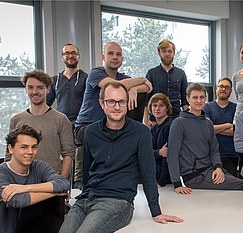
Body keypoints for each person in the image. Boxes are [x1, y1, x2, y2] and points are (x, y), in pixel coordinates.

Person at [34, 81, 183, 233]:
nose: (116, 106)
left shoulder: (140, 133)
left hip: (116, 203)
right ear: (101, 104)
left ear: (128, 104)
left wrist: (156, 211)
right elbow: (89, 171)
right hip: (87, 200)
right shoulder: (90, 132)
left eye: (121, 101)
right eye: (111, 101)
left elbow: (147, 174)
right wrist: (80, 197)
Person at [73, 42, 152, 189]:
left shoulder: (125, 77)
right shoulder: (95, 73)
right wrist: (140, 79)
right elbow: (114, 86)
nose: (114, 57)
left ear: (122, 59)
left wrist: (134, 88)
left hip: (109, 127)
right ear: (103, 57)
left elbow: (148, 87)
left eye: (118, 54)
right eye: (110, 54)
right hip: (86, 127)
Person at [167, 83, 243, 195]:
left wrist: (218, 167)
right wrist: (177, 184)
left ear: (206, 98)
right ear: (187, 99)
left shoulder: (208, 123)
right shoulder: (179, 123)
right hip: (195, 177)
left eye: (202, 97)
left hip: (211, 170)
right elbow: (172, 154)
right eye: (195, 97)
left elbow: (214, 150)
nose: (199, 101)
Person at [8, 70, 75, 178]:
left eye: (40, 87)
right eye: (30, 87)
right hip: (21, 182)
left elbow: (69, 154)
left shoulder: (61, 120)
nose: (35, 91)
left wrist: (60, 181)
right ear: (25, 90)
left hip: (50, 181)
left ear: (47, 89)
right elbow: (9, 155)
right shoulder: (16, 120)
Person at [46, 43, 88, 190]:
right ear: (62, 57)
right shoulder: (54, 80)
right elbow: (47, 103)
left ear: (78, 56)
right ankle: (60, 186)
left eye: (73, 53)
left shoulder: (85, 79)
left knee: (78, 156)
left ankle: (78, 186)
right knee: (62, 157)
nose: (70, 56)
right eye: (67, 53)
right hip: (61, 124)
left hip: (80, 124)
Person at [144, 39, 188, 127]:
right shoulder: (151, 73)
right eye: (164, 51)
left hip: (176, 119)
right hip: (155, 121)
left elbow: (185, 100)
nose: (167, 54)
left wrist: (187, 120)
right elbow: (146, 100)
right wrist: (146, 120)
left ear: (174, 53)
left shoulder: (181, 74)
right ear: (159, 53)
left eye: (169, 51)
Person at [203, 77, 239, 177]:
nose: (223, 89)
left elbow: (236, 132)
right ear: (216, 88)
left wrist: (215, 128)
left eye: (227, 87)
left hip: (231, 154)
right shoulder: (207, 107)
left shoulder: (236, 108)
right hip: (210, 154)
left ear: (231, 91)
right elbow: (207, 130)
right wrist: (228, 125)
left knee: (231, 185)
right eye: (221, 86)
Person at [149, 93, 173, 187]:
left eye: (161, 105)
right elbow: (147, 153)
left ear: (167, 108)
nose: (157, 109)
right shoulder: (154, 128)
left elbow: (167, 156)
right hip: (154, 175)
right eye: (154, 105)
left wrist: (161, 182)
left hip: (165, 179)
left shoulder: (170, 126)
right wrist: (159, 152)